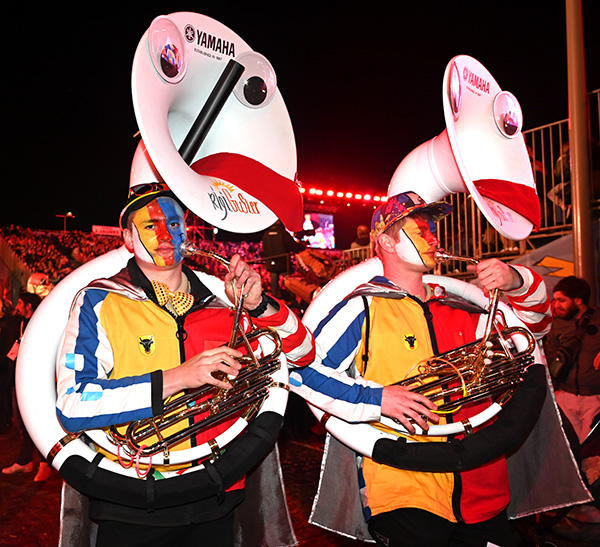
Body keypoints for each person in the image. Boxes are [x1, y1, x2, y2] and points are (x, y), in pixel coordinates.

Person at [55, 183, 315, 547]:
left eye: (174, 224)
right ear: (127, 238)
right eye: (150, 225)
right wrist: (176, 378)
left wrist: (257, 305)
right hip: (133, 499)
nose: (165, 235)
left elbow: (302, 353)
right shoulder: (99, 300)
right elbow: (73, 403)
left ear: (187, 233)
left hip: (215, 495)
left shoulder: (225, 301)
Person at [290, 191, 552, 547]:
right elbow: (301, 371)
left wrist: (517, 281)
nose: (434, 239)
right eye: (421, 231)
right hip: (405, 484)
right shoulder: (362, 308)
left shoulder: (462, 305)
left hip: (481, 484)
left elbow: (535, 333)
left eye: (433, 230)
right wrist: (378, 398)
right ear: (387, 242)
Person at [1, 292, 52, 481]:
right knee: (23, 423)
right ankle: (25, 461)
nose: (17, 307)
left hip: (36, 380)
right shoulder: (20, 324)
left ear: (29, 306)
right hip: (19, 378)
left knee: (37, 422)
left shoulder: (41, 324)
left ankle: (44, 463)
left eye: (20, 303)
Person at [544, 276, 600, 445]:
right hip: (565, 397)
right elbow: (548, 358)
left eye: (562, 300)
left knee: (589, 448)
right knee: (570, 447)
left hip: (594, 397)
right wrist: (555, 391)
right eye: (555, 300)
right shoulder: (557, 325)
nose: (556, 305)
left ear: (578, 300)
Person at [261, 219, 305, 298]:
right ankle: (292, 299)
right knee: (289, 281)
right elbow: (292, 246)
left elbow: (264, 248)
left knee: (274, 283)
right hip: (283, 263)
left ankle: (274, 299)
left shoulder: (266, 234)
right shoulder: (283, 233)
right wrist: (302, 247)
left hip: (271, 263)